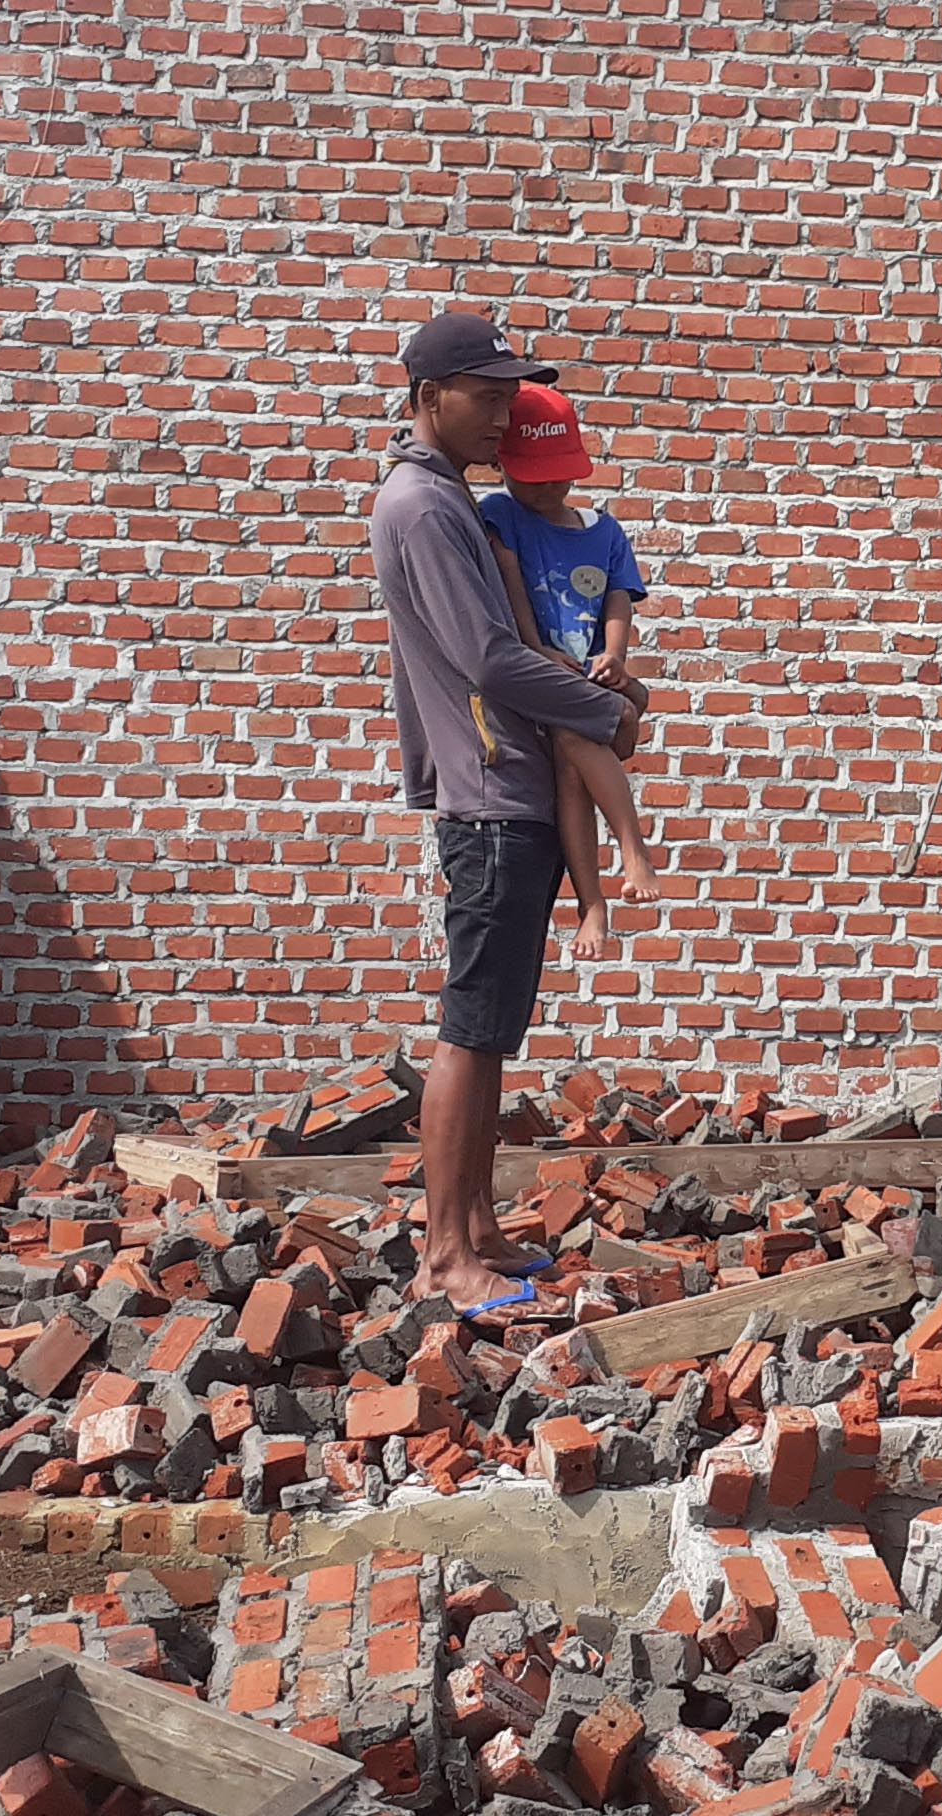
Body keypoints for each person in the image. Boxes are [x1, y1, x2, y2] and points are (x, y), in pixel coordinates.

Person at [369, 309, 648, 1321]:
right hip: (492, 797)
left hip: (504, 790)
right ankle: (446, 1259)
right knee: (472, 1031)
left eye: (507, 396)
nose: (501, 417)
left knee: (492, 1031)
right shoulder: (430, 507)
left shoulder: (447, 497)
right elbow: (488, 658)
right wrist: (605, 712)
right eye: (484, 397)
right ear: (426, 395)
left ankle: (478, 1227)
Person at [480, 382, 661, 957]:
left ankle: (605, 888)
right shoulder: (500, 516)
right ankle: (609, 878)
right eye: (531, 475)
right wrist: (536, 649)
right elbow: (510, 588)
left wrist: (615, 656)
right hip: (544, 668)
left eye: (559, 474)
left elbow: (617, 598)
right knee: (568, 739)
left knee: (572, 771)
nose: (547, 487)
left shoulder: (604, 532)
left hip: (591, 671)